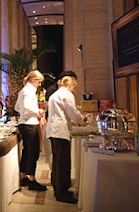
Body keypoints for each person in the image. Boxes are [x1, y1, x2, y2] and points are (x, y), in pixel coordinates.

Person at [46, 76, 87, 204]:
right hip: (60, 131)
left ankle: (57, 189)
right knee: (63, 163)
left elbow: (62, 113)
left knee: (57, 161)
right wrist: (82, 119)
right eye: (74, 87)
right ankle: (62, 193)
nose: (74, 89)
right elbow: (73, 111)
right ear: (70, 85)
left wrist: (72, 120)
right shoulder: (67, 94)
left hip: (53, 130)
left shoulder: (55, 94)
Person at [14, 70, 47, 191]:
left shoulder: (24, 90)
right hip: (30, 124)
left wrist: (24, 113)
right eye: (39, 82)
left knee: (27, 151)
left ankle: (24, 177)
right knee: (33, 152)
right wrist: (38, 112)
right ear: (33, 80)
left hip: (24, 123)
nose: (39, 85)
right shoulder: (29, 91)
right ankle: (32, 180)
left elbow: (17, 107)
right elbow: (27, 106)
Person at [43, 70, 77, 170]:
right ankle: (60, 183)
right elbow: (69, 111)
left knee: (57, 158)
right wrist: (81, 120)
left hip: (53, 126)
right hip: (57, 127)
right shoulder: (58, 92)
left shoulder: (57, 92)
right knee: (59, 159)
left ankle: (56, 181)